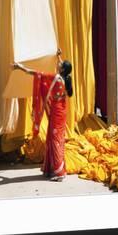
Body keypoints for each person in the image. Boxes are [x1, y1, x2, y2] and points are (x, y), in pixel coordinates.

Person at [11, 49, 73, 182]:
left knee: (55, 140)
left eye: (60, 65)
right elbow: (63, 67)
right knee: (55, 138)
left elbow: (37, 74)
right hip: (61, 112)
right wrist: (59, 57)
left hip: (56, 113)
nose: (58, 65)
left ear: (62, 70)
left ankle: (59, 172)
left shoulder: (56, 78)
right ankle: (53, 168)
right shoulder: (66, 78)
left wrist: (20, 67)